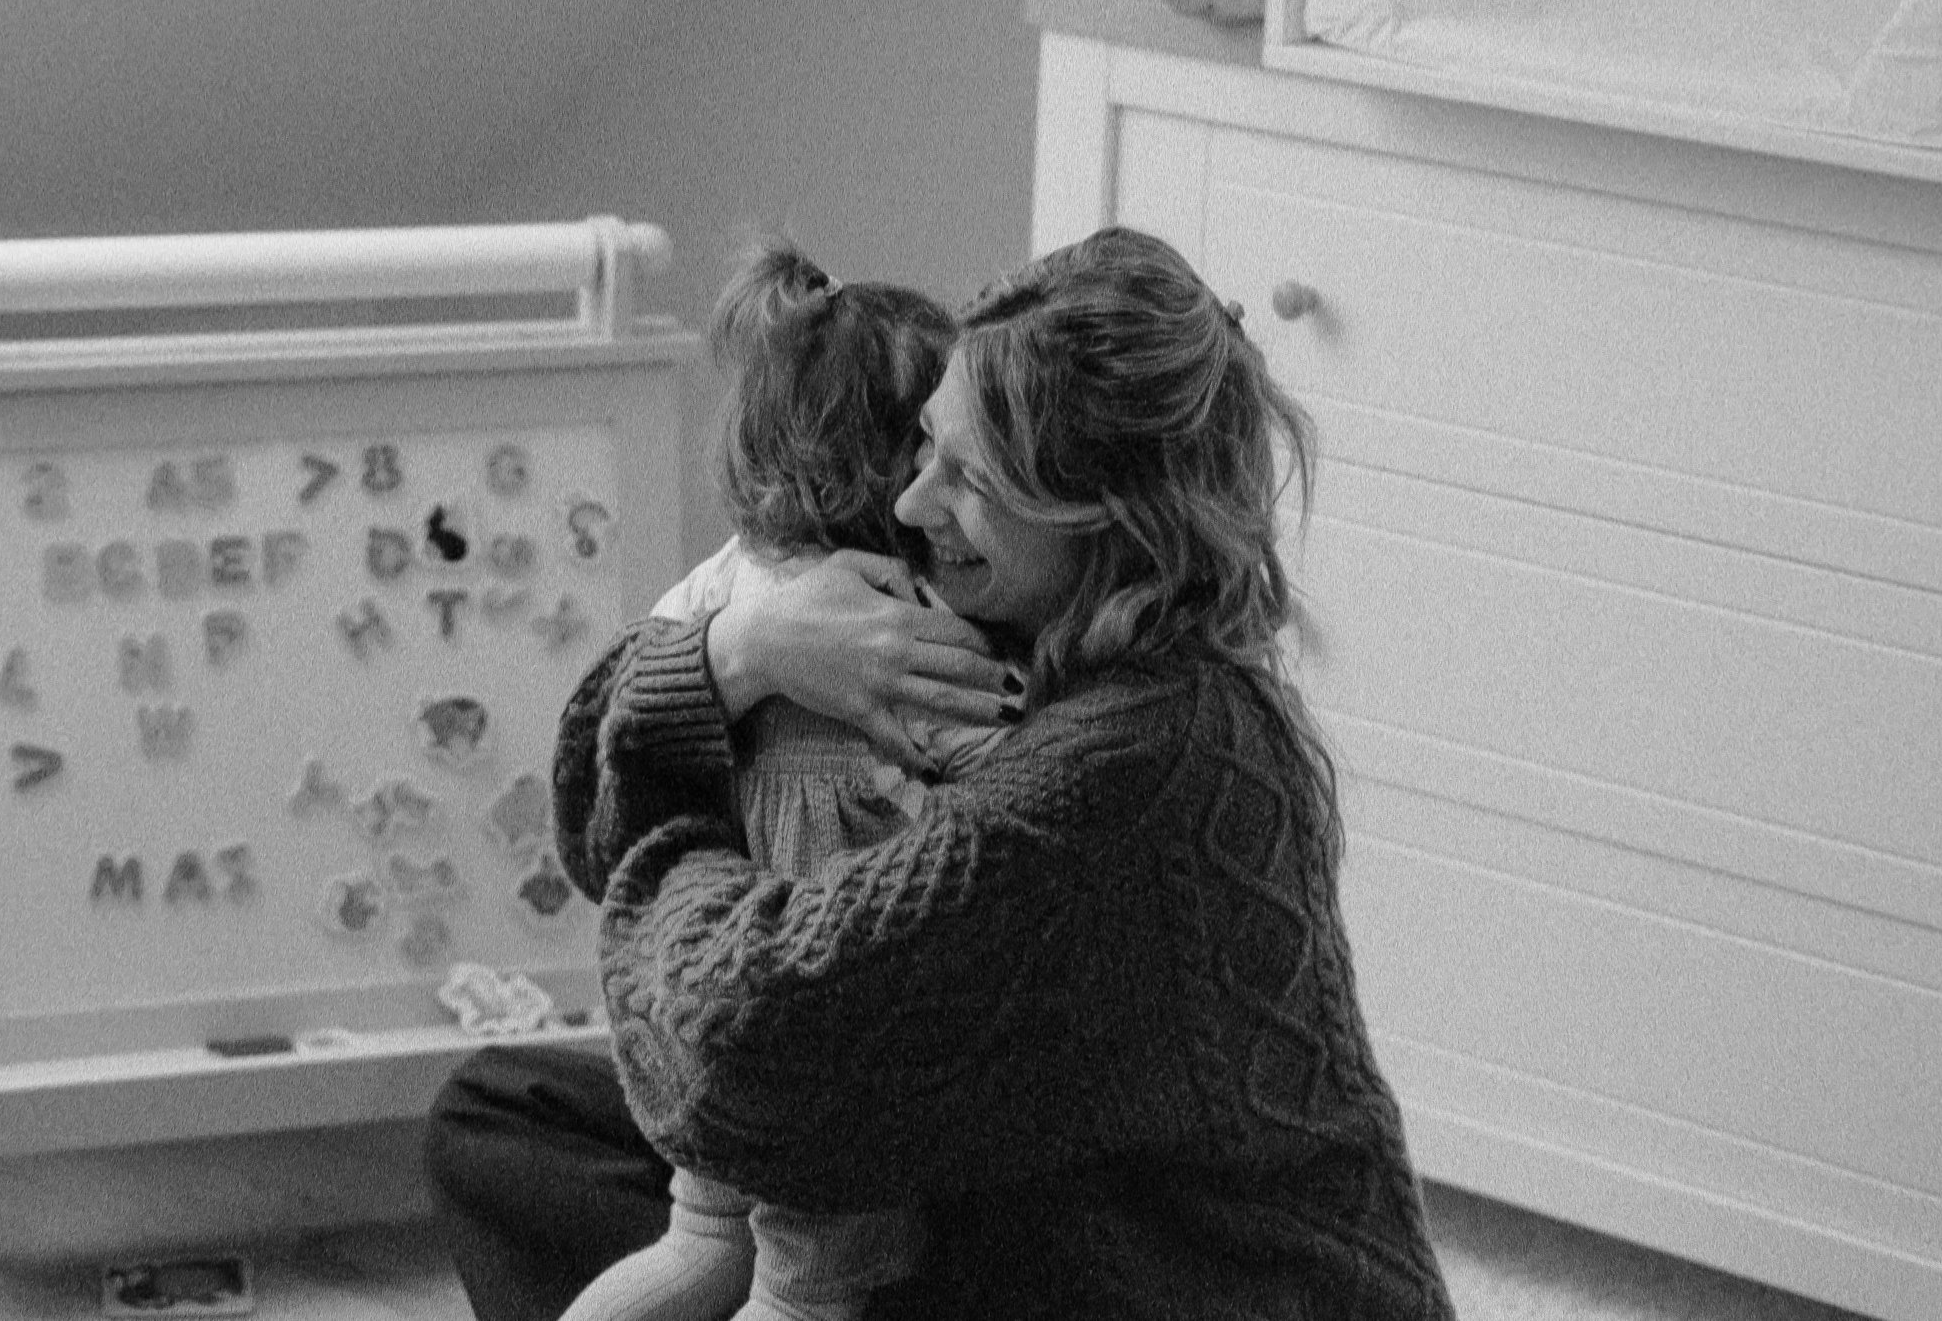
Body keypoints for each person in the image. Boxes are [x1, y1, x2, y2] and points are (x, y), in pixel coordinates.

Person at [427, 226, 1455, 1321]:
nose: (912, 504)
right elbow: (588, 813)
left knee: (763, 1177)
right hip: (983, 1187)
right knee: (503, 1117)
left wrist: (676, 822)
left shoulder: (1133, 759)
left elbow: (745, 1036)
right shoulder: (995, 622)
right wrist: (739, 653)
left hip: (1153, 1281)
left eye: (971, 481)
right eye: (925, 445)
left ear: (1110, 516)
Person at [572, 240, 1013, 1321]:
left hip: (715, 1030)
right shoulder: (911, 625)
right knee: (803, 1298)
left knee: (695, 1250)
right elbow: (1010, 784)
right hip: (841, 1052)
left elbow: (613, 716)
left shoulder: (722, 582)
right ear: (903, 472)